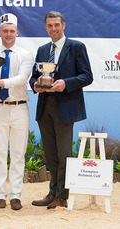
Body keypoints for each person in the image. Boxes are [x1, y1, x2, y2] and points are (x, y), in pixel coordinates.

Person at [29, 11, 93, 209]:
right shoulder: (41, 50)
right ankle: (52, 192)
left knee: (64, 153)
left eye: (57, 25)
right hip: (45, 105)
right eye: (50, 26)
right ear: (46, 27)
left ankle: (62, 196)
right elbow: (34, 77)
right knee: (50, 153)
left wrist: (66, 83)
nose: (53, 29)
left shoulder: (77, 47)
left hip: (65, 106)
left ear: (63, 25)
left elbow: (87, 76)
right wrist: (35, 85)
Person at [0, 13, 34, 211]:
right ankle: (0, 195)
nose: (8, 34)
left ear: (17, 32)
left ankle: (15, 195)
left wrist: (1, 83)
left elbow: (23, 78)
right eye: (5, 31)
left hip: (19, 107)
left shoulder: (26, 55)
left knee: (18, 153)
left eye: (11, 31)